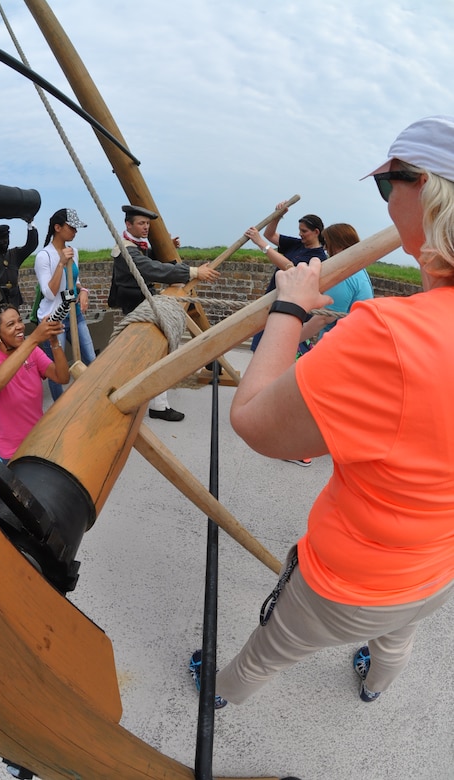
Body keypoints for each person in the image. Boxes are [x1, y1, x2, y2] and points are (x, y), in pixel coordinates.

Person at [208, 115, 454, 708]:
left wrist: (288, 311)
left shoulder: (393, 336)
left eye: (385, 185)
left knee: (272, 648)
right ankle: (374, 685)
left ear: (422, 186)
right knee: (399, 636)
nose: (386, 201)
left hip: (351, 578)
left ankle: (218, 694)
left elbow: (255, 424)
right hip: (437, 565)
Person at [109, 204, 220, 421]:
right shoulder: (124, 248)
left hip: (142, 302)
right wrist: (193, 271)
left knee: (149, 354)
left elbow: (147, 257)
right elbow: (149, 268)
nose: (146, 227)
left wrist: (165, 247)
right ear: (128, 224)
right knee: (156, 354)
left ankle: (141, 395)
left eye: (148, 224)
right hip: (137, 306)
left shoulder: (134, 245)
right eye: (141, 223)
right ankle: (157, 405)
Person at [246, 213, 327, 467]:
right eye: (299, 229)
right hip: (273, 309)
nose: (301, 234)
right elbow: (272, 235)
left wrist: (262, 245)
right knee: (264, 357)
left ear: (316, 231)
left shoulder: (317, 258)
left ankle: (274, 415)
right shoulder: (296, 245)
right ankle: (264, 406)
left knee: (278, 363)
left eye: (304, 230)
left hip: (288, 312)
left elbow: (290, 269)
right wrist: (277, 216)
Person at [0, 303, 70, 463]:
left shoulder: (32, 351)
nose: (20, 327)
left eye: (19, 321)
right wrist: (34, 339)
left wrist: (54, 341)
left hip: (40, 439)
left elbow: (62, 377)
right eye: (11, 324)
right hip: (13, 451)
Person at [34, 208, 96, 401]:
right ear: (58, 228)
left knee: (91, 360)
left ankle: (94, 397)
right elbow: (50, 293)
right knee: (57, 369)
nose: (75, 232)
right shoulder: (44, 257)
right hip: (55, 319)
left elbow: (74, 283)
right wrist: (61, 263)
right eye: (72, 227)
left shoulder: (73, 252)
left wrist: (83, 291)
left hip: (75, 315)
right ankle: (59, 408)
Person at [299, 223, 374, 343]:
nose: (325, 248)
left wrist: (288, 341)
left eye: (327, 243)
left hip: (339, 345)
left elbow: (324, 318)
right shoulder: (358, 270)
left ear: (339, 244)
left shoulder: (345, 275)